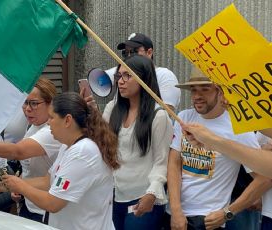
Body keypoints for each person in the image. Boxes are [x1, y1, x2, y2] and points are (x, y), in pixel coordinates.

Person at [0, 92, 120, 230]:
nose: (49, 123)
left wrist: (19, 186)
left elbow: (53, 203)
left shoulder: (82, 152)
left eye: (52, 118)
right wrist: (2, 186)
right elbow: (47, 181)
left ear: (68, 120)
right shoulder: (68, 145)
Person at [167, 67, 269, 230]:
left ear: (221, 92)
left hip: (208, 220)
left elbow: (264, 177)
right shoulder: (185, 117)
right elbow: (174, 163)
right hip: (177, 215)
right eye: (193, 90)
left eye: (205, 89)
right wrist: (176, 209)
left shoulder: (238, 128)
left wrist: (228, 212)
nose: (197, 96)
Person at [101, 54, 173, 230]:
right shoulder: (112, 108)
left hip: (144, 199)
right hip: (113, 196)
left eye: (128, 75)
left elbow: (161, 161)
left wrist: (152, 193)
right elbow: (100, 144)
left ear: (144, 79)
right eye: (119, 76)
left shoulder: (159, 116)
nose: (121, 81)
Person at [0, 78, 61, 222]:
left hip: (45, 212)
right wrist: (16, 187)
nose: (27, 109)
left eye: (34, 103)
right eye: (25, 102)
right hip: (29, 205)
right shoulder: (35, 125)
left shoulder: (52, 131)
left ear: (51, 103)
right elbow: (30, 173)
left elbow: (17, 152)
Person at [183, 125, 272, 230]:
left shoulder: (244, 133)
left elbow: (265, 174)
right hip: (226, 202)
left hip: (243, 201)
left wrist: (212, 141)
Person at [116, 32, 181, 111]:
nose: (129, 57)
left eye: (134, 52)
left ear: (149, 52)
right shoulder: (124, 79)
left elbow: (166, 112)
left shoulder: (165, 75)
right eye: (125, 53)